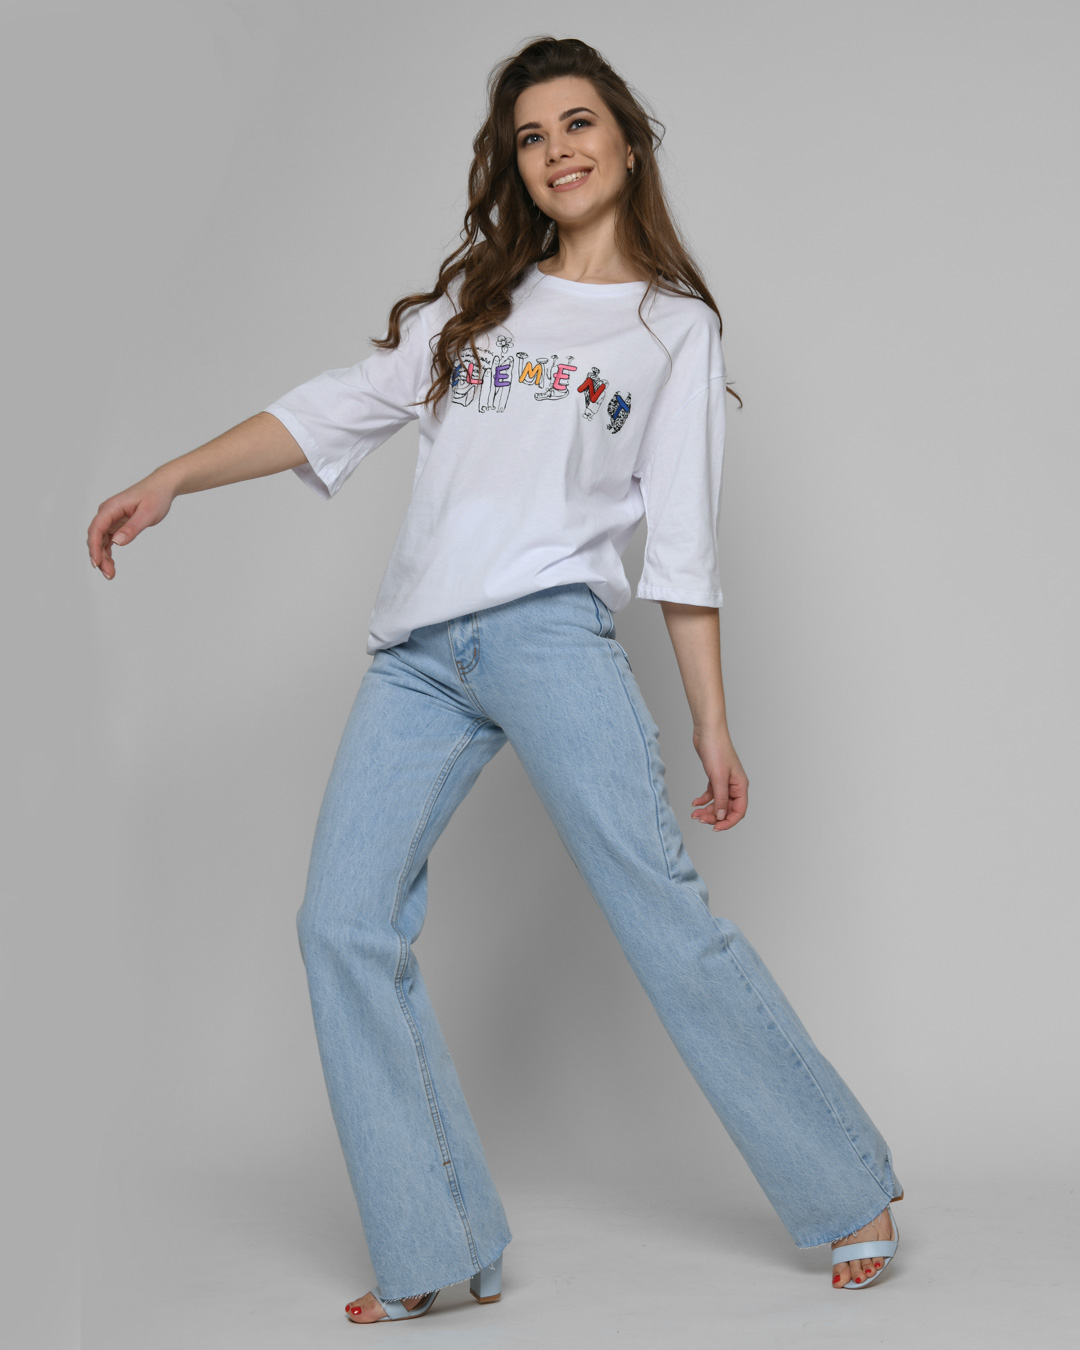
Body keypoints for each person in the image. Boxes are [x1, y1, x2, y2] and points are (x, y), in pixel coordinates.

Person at [86, 35, 903, 1326]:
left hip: (548, 638)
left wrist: (712, 721)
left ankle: (847, 1185)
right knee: (341, 923)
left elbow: (683, 538)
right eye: (531, 136)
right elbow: (333, 407)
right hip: (419, 657)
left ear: (626, 140)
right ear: (514, 166)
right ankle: (436, 1246)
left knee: (660, 913)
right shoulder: (478, 304)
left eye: (578, 123)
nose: (557, 150)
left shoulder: (670, 329)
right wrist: (173, 477)